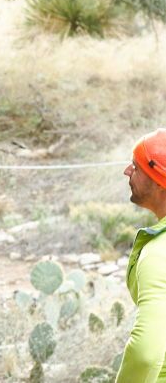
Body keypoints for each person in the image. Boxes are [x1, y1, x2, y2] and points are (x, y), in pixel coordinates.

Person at [116, 129, 166, 383]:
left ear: (160, 181)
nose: (127, 171)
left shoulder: (159, 254)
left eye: (136, 166)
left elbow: (146, 354)